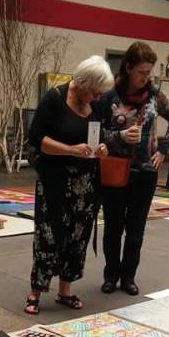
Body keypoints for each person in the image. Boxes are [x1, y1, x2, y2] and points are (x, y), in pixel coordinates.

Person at [25, 56, 113, 315]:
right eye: (95, 91)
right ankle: (36, 291)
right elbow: (36, 139)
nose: (97, 97)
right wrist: (70, 150)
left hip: (85, 184)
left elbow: (99, 135)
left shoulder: (94, 105)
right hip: (56, 180)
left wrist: (103, 147)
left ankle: (65, 291)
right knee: (49, 235)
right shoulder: (55, 98)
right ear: (83, 82)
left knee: (77, 236)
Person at [97, 42, 169, 296]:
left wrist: (163, 149)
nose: (146, 77)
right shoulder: (110, 95)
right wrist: (120, 136)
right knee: (113, 227)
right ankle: (111, 275)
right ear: (128, 67)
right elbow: (95, 130)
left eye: (149, 72)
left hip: (145, 172)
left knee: (136, 229)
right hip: (115, 169)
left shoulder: (155, 94)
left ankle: (129, 276)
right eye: (141, 72)